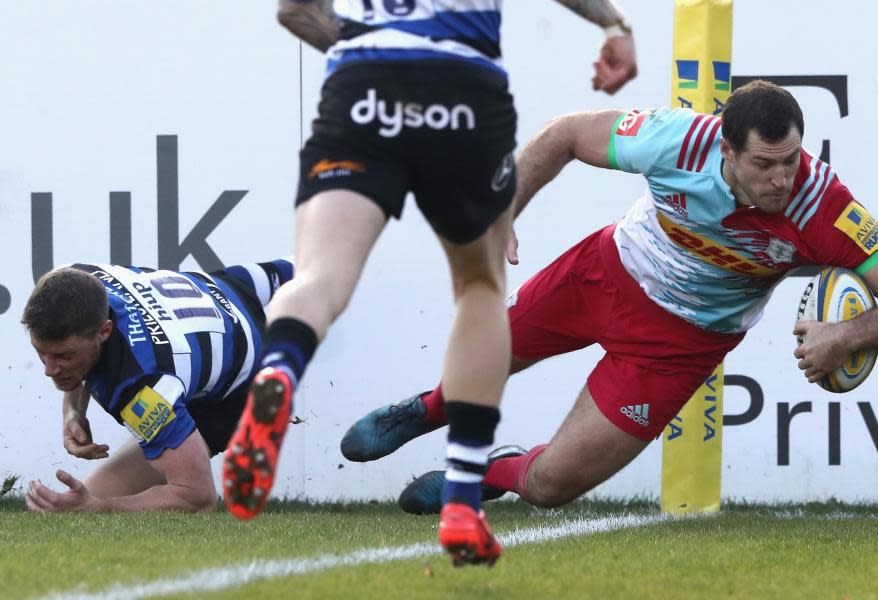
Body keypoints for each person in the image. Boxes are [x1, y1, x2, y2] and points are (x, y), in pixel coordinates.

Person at [339, 80, 878, 515]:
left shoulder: (821, 204)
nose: (781, 178)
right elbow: (563, 136)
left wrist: (847, 335)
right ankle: (423, 411)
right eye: (766, 164)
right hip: (606, 273)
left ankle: (480, 476)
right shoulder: (676, 140)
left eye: (791, 159)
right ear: (726, 149)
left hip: (681, 345)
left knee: (552, 486)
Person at [222, 0, 637, 567]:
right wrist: (612, 25)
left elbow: (294, 11)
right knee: (479, 289)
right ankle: (463, 499)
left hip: (361, 82)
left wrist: (375, 45)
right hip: (461, 85)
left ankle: (276, 376)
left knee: (319, 274)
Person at [20, 259, 293, 513]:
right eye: (41, 352)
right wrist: (73, 413)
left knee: (85, 510)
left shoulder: (142, 389)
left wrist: (101, 507)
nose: (48, 370)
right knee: (318, 263)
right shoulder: (77, 278)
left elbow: (198, 496)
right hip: (223, 286)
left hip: (243, 385)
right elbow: (81, 353)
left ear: (104, 332)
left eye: (64, 356)